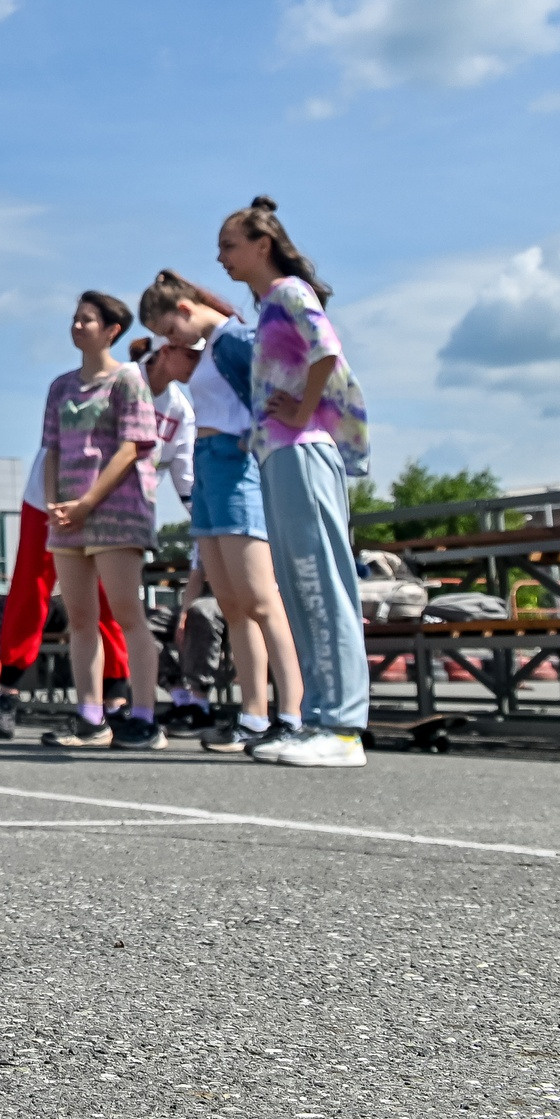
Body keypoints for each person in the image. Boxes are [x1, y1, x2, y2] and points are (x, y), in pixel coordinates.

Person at [216, 199, 371, 769]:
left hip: (304, 451)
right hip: (278, 454)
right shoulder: (267, 308)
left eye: (230, 245)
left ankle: (344, 727)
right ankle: (320, 718)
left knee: (319, 583)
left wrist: (304, 412)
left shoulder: (289, 293)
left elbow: (328, 352)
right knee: (298, 588)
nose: (221, 257)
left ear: (262, 244)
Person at [139, 269, 308, 755]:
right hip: (209, 468)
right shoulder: (211, 346)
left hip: (236, 462)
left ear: (186, 310)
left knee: (260, 599)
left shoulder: (233, 339)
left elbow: (269, 386)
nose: (172, 343)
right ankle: (253, 715)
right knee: (232, 604)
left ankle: (292, 712)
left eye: (171, 330)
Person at [37, 292, 165, 750]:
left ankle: (146, 716)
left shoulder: (129, 380)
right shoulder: (61, 386)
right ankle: (90, 715)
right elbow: (51, 449)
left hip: (115, 512)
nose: (77, 326)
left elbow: (132, 446)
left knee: (128, 614)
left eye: (87, 319)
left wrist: (88, 501)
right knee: (80, 619)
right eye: (74, 318)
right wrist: (55, 503)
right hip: (68, 517)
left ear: (112, 329)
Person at [0, 444, 133, 739]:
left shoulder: (163, 409)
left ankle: (115, 701)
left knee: (107, 593)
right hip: (47, 500)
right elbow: (53, 442)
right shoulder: (69, 395)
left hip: (103, 501)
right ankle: (8, 694)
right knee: (30, 587)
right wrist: (53, 503)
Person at [131, 334, 213, 730]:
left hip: (134, 517)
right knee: (125, 615)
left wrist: (204, 517)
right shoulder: (124, 382)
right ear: (165, 351)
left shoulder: (180, 409)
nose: (197, 364)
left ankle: (190, 701)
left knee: (191, 615)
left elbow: (185, 476)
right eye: (190, 355)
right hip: (95, 511)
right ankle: (112, 701)